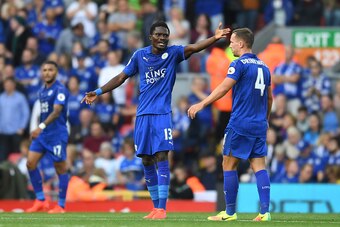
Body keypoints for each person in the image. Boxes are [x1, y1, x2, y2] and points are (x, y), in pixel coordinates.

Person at [81, 20, 230, 219]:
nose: (162, 38)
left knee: (161, 155)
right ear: (151, 37)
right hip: (142, 115)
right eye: (158, 35)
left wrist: (214, 37)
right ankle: (154, 207)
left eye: (165, 35)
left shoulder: (174, 53)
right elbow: (120, 77)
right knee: (146, 159)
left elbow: (194, 47)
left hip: (162, 114)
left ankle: (162, 208)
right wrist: (98, 92)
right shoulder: (139, 56)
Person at [188, 28, 273, 221]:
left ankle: (230, 212)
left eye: (233, 42)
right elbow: (269, 98)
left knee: (228, 163)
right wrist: (265, 119)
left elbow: (224, 87)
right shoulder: (264, 67)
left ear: (242, 43)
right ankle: (265, 212)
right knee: (259, 165)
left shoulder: (239, 64)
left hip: (241, 122)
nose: (231, 45)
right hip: (259, 124)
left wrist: (202, 103)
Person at [25, 61, 70, 214]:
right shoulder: (42, 91)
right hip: (43, 135)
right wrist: (39, 128)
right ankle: (40, 200)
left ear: (56, 72)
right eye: (44, 70)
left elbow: (57, 111)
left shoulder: (60, 89)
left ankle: (61, 206)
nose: (47, 72)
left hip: (57, 134)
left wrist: (40, 126)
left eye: (50, 70)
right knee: (30, 163)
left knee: (60, 168)